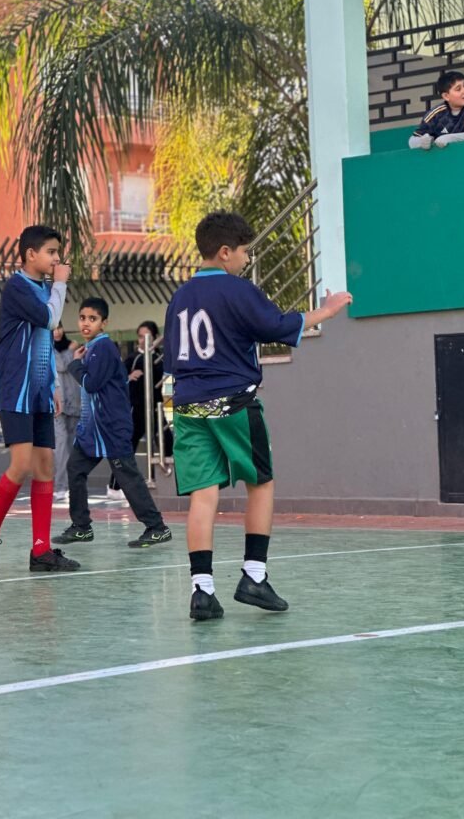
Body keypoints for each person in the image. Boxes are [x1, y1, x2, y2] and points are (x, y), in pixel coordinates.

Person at [163, 210, 353, 622]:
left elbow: (173, 356)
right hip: (233, 401)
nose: (247, 259)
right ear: (225, 252)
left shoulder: (180, 297)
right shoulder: (238, 290)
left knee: (203, 495)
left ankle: (202, 590)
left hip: (189, 405)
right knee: (261, 483)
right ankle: (254, 575)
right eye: (245, 252)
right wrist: (327, 310)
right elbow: (277, 325)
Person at [0, 225, 80, 573]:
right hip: (15, 387)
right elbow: (49, 320)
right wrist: (61, 283)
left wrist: (52, 385)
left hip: (39, 390)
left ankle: (41, 551)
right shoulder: (18, 287)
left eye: (58, 252)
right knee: (21, 465)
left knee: (45, 465)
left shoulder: (46, 289)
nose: (57, 259)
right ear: (30, 254)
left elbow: (44, 342)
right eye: (51, 252)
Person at [53, 297, 172, 549]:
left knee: (127, 476)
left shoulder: (104, 348)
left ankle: (157, 527)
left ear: (104, 323)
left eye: (93, 319)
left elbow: (91, 383)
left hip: (111, 428)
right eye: (82, 318)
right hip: (93, 431)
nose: (86, 323)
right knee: (75, 469)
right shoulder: (92, 348)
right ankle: (81, 527)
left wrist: (74, 364)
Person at [124, 320, 174, 461]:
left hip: (157, 408)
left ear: (155, 337)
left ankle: (168, 473)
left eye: (147, 336)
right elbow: (116, 378)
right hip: (137, 409)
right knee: (128, 446)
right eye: (140, 336)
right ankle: (120, 476)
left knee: (166, 444)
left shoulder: (160, 359)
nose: (143, 340)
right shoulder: (133, 358)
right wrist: (128, 377)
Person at [408, 71, 464, 150]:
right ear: (446, 96)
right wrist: (422, 142)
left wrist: (449, 138)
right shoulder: (436, 114)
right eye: (458, 89)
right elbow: (412, 141)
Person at [53, 324, 81, 502]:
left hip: (74, 402)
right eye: (53, 329)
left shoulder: (73, 346)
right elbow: (62, 365)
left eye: (60, 327)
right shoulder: (47, 348)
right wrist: (71, 351)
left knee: (73, 446)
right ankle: (60, 486)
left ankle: (73, 485)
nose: (57, 332)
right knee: (61, 445)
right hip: (57, 405)